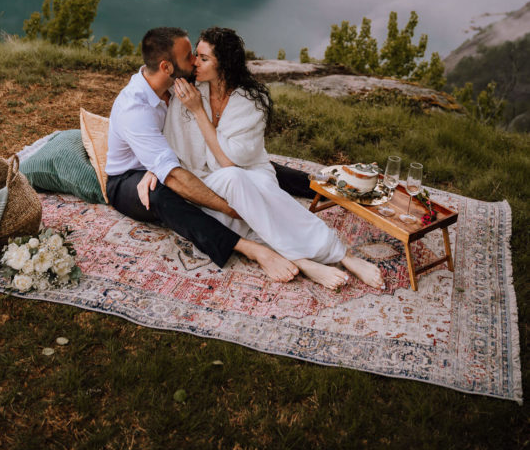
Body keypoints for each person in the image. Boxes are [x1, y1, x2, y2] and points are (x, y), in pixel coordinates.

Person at [162, 26, 385, 291]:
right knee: (239, 185)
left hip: (251, 171)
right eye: (196, 55)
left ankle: (319, 258)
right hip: (207, 181)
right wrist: (197, 110)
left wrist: (199, 112)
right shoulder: (189, 94)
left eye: (203, 58)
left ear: (224, 65)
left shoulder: (250, 102)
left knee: (258, 197)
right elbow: (194, 157)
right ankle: (333, 255)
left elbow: (232, 161)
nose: (194, 63)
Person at [105, 26, 300, 281]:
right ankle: (247, 248)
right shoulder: (135, 110)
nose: (195, 61)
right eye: (189, 56)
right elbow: (173, 176)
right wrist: (232, 209)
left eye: (197, 55)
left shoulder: (176, 84)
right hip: (127, 178)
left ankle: (317, 184)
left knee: (248, 164)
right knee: (163, 194)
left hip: (161, 161)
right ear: (166, 67)